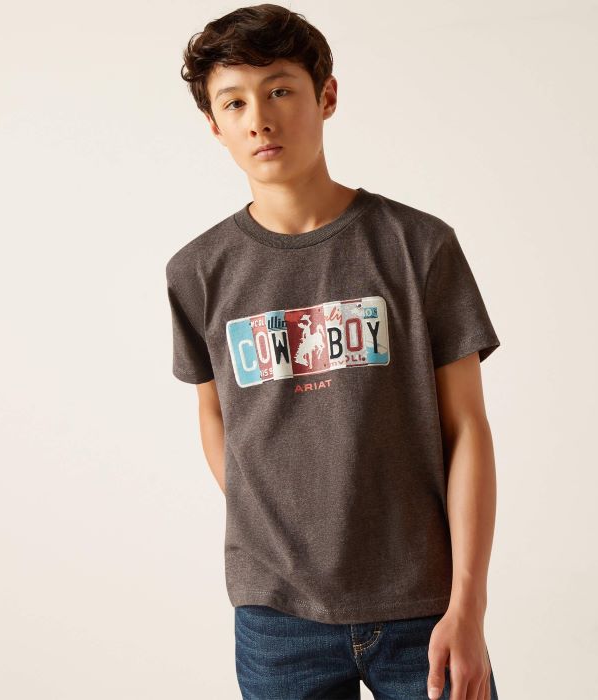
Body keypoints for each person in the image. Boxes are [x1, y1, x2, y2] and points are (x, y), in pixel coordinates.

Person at [166, 4, 501, 699]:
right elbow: (214, 414)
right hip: (277, 618)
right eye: (235, 102)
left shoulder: (418, 246)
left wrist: (468, 605)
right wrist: (278, 522)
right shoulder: (198, 272)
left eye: (280, 90)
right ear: (214, 125)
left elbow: (467, 427)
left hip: (423, 604)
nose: (260, 119)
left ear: (327, 96)